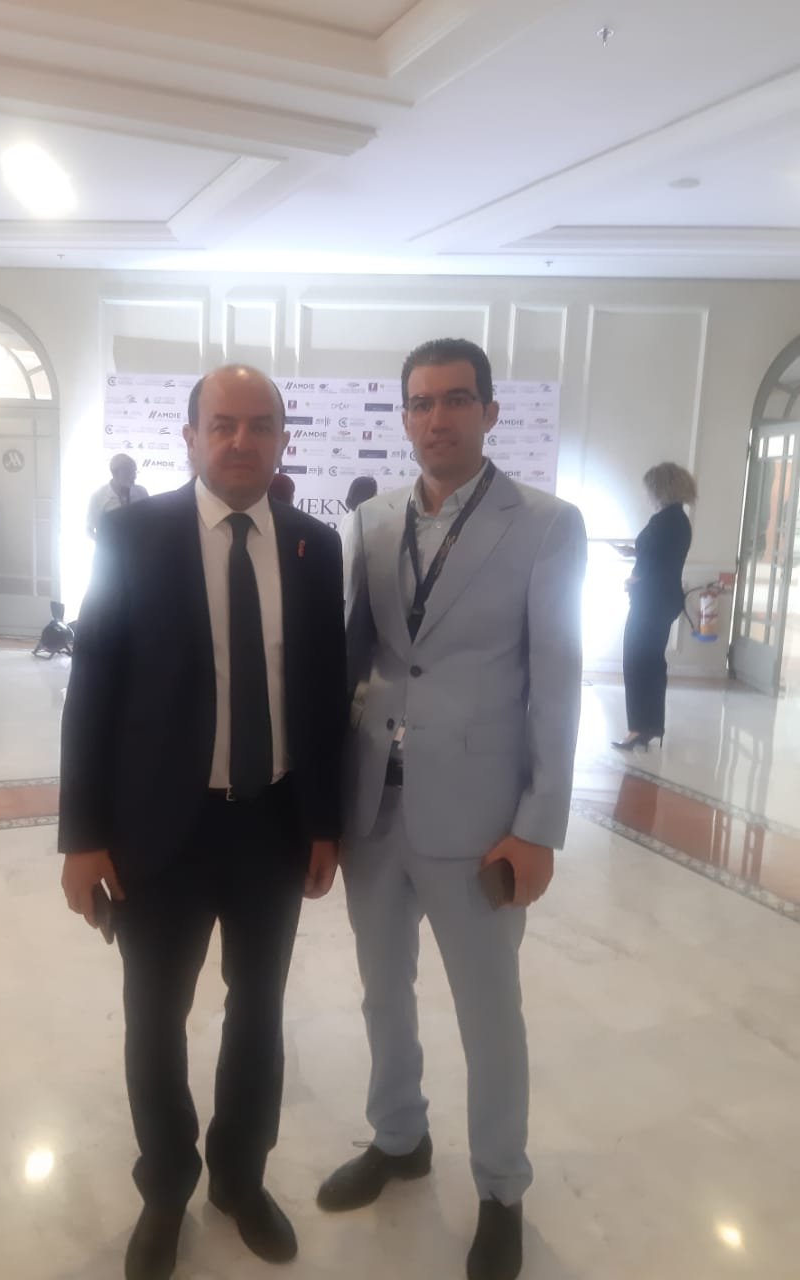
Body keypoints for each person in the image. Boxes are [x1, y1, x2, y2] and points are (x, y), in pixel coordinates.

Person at [59, 365, 347, 1280]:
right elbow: (93, 686)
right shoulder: (131, 535)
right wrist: (80, 836)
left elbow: (322, 694)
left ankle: (238, 1177)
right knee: (155, 1019)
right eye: (221, 424)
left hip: (271, 827)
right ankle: (165, 1189)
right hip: (157, 831)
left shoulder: (314, 546)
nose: (240, 441)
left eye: (259, 425)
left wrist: (324, 823)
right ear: (188, 437)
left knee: (258, 1015)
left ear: (282, 439)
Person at [318, 339, 586, 1280]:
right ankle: (399, 1137)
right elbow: (353, 659)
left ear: (489, 412)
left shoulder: (546, 525)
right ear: (403, 416)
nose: (438, 418)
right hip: (373, 805)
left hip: (478, 817)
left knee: (487, 1010)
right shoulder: (370, 520)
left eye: (457, 400)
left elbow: (556, 682)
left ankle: (501, 1188)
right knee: (381, 989)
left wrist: (538, 825)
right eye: (422, 403)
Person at [612, 462, 696, 752]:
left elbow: (653, 564)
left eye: (650, 489)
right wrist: (634, 552)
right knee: (651, 663)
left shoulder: (664, 522)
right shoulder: (678, 520)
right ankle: (650, 727)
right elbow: (660, 556)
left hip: (651, 601)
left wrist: (633, 580)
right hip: (663, 599)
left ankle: (638, 729)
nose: (647, 494)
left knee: (636, 662)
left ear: (660, 488)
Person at [86, 453, 149, 537]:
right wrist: (104, 542)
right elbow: (89, 530)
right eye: (128, 473)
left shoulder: (141, 492)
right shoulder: (98, 497)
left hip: (138, 543)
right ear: (114, 473)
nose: (134, 476)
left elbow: (149, 520)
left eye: (134, 472)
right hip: (111, 545)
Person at [338, 476, 378, 577]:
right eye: (375, 494)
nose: (377, 497)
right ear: (366, 496)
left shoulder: (348, 517)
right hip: (352, 580)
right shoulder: (358, 523)